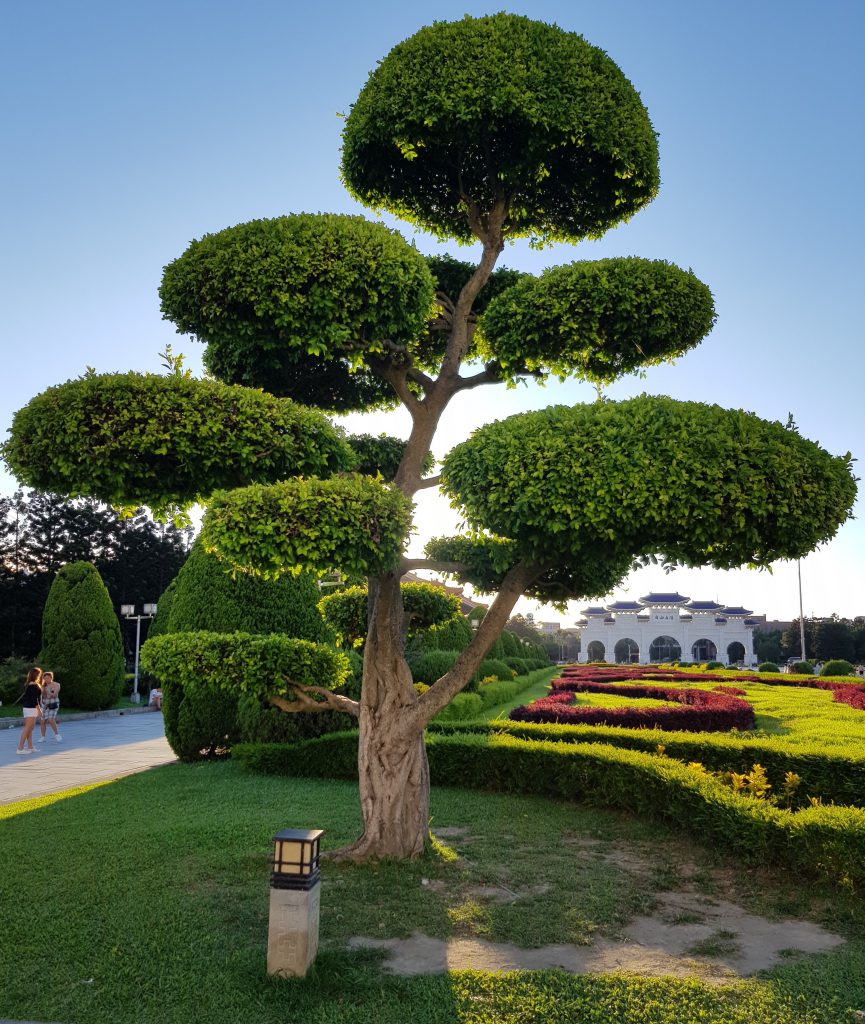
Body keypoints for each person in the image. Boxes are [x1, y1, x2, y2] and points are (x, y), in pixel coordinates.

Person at [16, 667, 42, 755]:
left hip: (28, 707)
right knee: (28, 728)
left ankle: (30, 747)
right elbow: (35, 699)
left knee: (30, 728)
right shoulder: (33, 685)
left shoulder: (29, 684)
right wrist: (39, 710)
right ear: (35, 675)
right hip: (31, 708)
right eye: (38, 674)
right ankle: (20, 748)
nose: (40, 675)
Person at [38, 671, 62, 743]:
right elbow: (42, 696)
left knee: (50, 719)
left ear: (51, 678)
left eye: (48, 678)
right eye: (45, 678)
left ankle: (57, 735)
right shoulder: (43, 686)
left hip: (54, 704)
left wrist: (48, 690)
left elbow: (54, 695)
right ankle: (42, 737)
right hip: (45, 705)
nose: (46, 680)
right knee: (42, 721)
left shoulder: (56, 684)